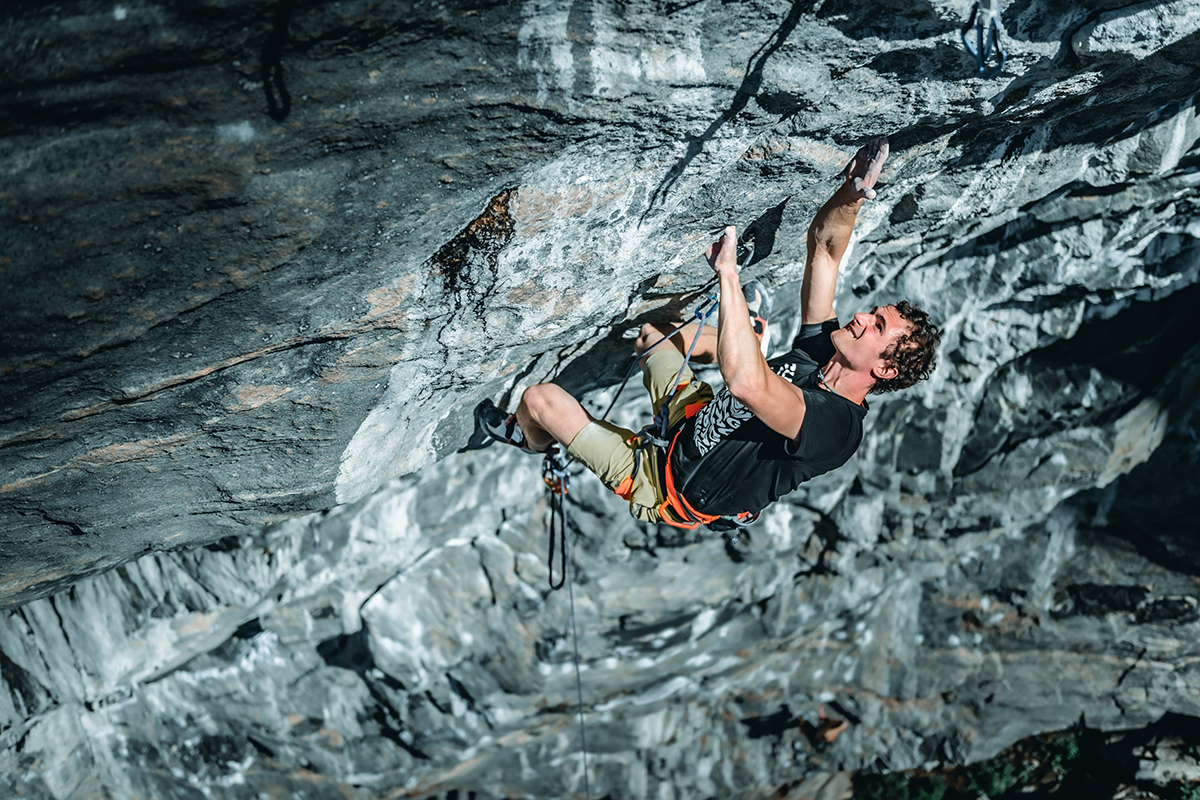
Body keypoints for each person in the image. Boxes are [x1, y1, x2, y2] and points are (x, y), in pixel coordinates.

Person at [470, 137, 940, 528]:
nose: (860, 318)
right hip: (689, 422)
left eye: (876, 326)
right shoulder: (825, 351)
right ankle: (736, 345)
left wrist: (729, 276)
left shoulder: (836, 428)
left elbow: (748, 385)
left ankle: (530, 440)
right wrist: (852, 195)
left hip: (664, 484)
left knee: (540, 401)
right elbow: (825, 251)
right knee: (654, 335)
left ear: (884, 367)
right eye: (872, 313)